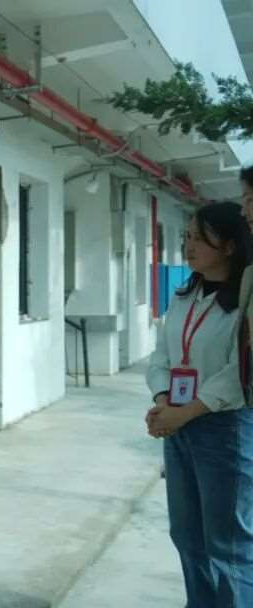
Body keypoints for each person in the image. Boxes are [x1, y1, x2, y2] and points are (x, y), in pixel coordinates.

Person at [147, 201, 253, 607]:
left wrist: (183, 412)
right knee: (187, 536)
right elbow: (161, 356)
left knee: (228, 545)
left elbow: (240, 370)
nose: (188, 247)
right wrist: (163, 403)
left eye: (199, 238)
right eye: (187, 237)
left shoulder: (245, 301)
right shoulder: (184, 295)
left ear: (228, 245)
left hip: (224, 428)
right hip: (178, 425)